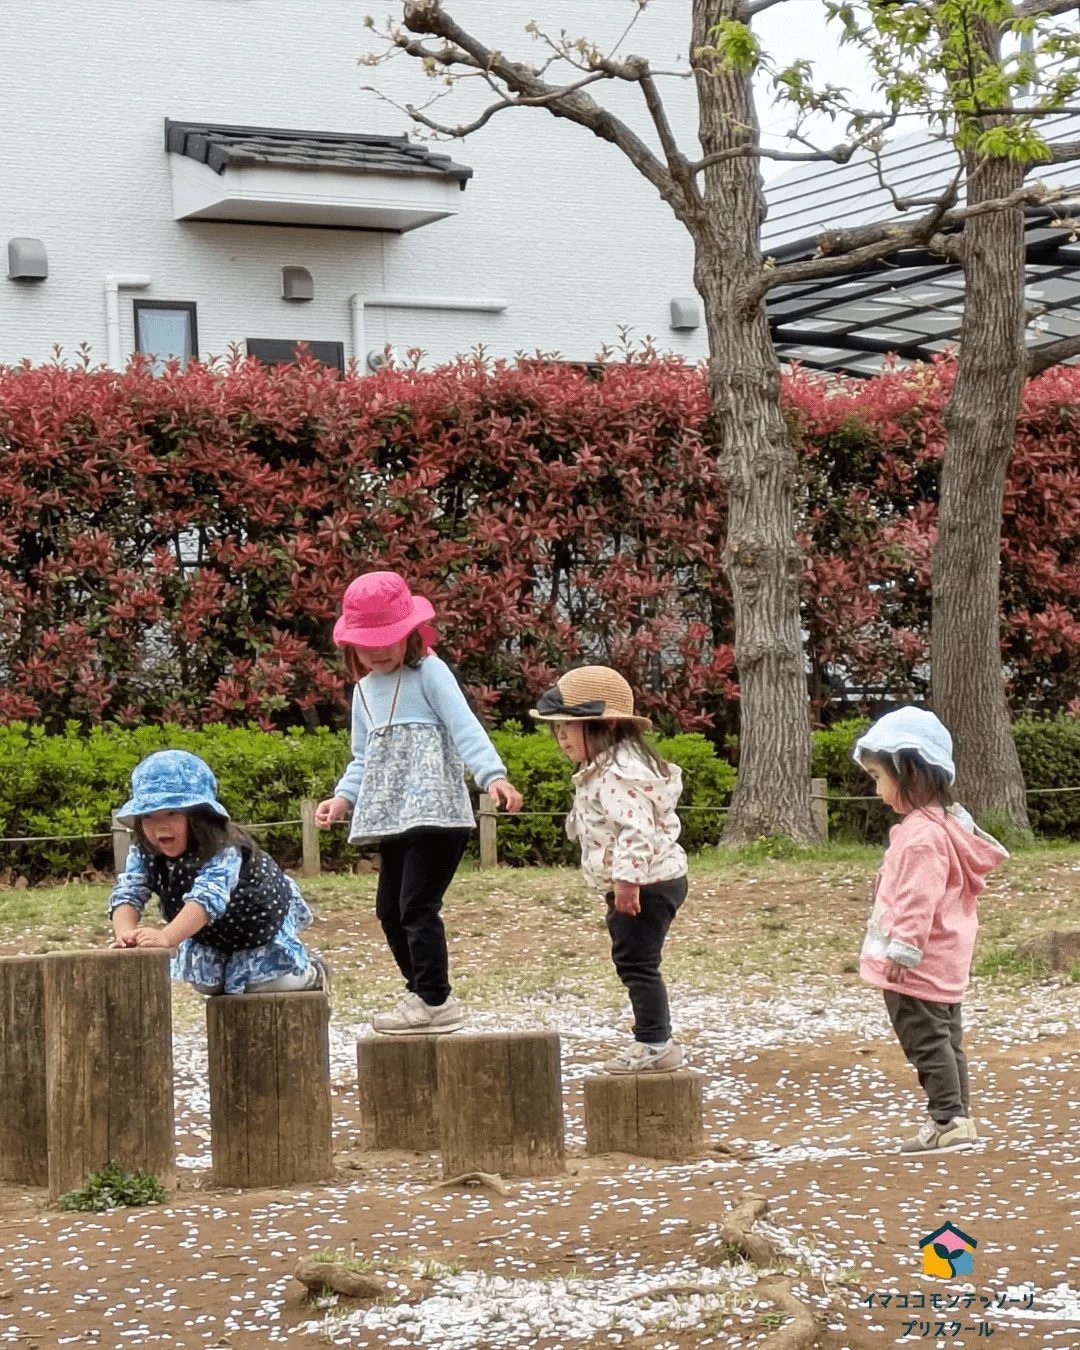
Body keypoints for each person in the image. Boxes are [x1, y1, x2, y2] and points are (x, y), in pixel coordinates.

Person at [316, 571, 522, 1035]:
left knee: (416, 905)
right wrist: (341, 799)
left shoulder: (428, 671)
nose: (379, 649)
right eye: (368, 642)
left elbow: (464, 725)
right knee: (389, 912)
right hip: (393, 818)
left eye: (389, 638)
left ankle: (435, 999)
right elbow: (362, 758)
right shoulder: (363, 692)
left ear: (410, 632)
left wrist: (494, 777)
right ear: (351, 645)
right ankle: (421, 994)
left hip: (438, 814)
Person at [855, 707, 1008, 1156]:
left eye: (878, 776)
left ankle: (947, 1118)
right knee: (946, 1041)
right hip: (945, 962)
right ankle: (955, 1117)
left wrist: (902, 951)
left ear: (912, 774)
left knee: (926, 1043)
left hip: (916, 967)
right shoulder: (945, 827)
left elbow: (917, 898)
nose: (876, 788)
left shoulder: (921, 835)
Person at [532, 665, 687, 1073]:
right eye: (556, 728)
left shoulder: (617, 774)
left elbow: (635, 830)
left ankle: (655, 1041)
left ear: (606, 726)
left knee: (637, 963)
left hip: (645, 883)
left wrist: (626, 883)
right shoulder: (613, 765)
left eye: (569, 726)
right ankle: (656, 1039)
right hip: (650, 880)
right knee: (635, 960)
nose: (561, 736)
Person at [109, 750, 328, 997]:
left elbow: (205, 899)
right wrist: (126, 936)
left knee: (263, 984)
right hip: (211, 933)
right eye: (147, 816)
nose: (160, 825)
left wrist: (166, 937)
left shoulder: (226, 848)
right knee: (208, 985)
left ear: (200, 816)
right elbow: (129, 891)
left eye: (173, 812)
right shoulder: (144, 851)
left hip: (255, 926)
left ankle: (312, 972)